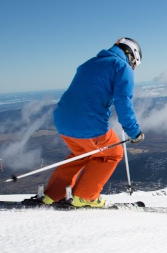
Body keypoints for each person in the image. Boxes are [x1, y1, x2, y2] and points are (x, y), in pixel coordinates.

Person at [38, 38, 145, 208]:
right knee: (113, 153)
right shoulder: (121, 67)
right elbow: (123, 101)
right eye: (134, 63)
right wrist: (134, 132)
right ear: (132, 55)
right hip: (88, 124)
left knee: (81, 154)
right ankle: (85, 196)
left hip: (63, 119)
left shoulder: (90, 63)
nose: (132, 66)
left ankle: (53, 195)